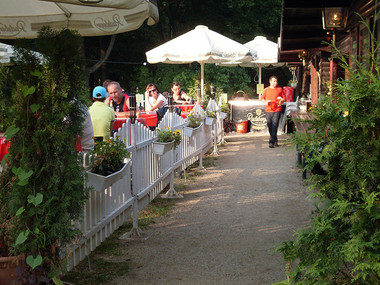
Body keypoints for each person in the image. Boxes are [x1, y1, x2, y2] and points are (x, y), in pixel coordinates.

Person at [261, 76, 285, 148]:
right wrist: (265, 102)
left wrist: (281, 101)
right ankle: (275, 140)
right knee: (269, 125)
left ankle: (271, 142)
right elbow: (262, 98)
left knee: (275, 125)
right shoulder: (266, 90)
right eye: (274, 81)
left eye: (276, 81)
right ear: (270, 81)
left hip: (277, 109)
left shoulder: (279, 89)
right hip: (268, 109)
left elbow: (284, 97)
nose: (275, 83)